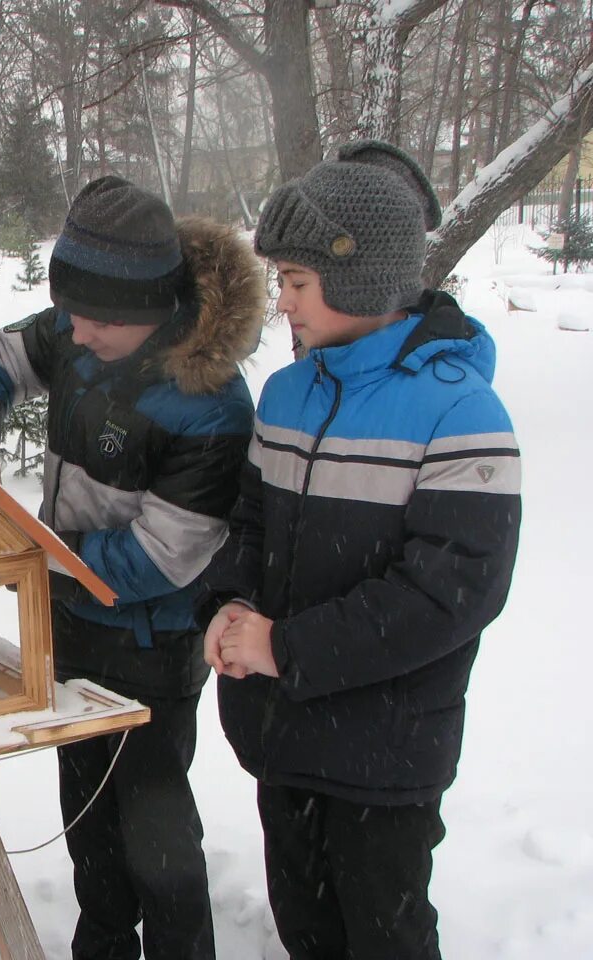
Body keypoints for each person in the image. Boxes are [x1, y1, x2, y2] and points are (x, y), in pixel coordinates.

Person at [197, 141, 522, 960]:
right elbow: (251, 525)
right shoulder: (287, 392)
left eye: (297, 284)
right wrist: (230, 603)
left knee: (384, 936)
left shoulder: (458, 411)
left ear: (362, 277)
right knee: (308, 932)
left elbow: (450, 593)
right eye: (280, 282)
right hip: (286, 738)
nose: (282, 304)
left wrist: (288, 645)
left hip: (388, 754)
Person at [0, 175, 266, 960]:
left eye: (99, 322)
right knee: (88, 825)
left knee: (157, 837)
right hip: (73, 628)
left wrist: (31, 556)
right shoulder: (84, 325)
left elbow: (164, 554)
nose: (76, 334)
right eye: (71, 314)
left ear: (152, 311)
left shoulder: (208, 401)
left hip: (152, 648)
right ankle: (103, 946)